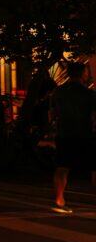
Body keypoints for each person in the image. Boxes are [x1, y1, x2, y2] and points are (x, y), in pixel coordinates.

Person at [50, 61, 96, 213]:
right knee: (93, 167)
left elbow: (54, 113)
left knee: (62, 167)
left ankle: (59, 199)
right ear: (83, 73)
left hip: (65, 133)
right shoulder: (89, 93)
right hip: (85, 133)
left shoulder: (59, 92)